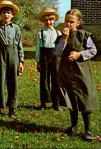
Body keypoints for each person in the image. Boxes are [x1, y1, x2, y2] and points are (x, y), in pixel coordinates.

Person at [54, 9, 99, 141]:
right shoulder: (61, 37)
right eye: (66, 21)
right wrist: (64, 39)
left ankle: (88, 130)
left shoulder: (84, 35)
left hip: (82, 73)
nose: (68, 24)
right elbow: (57, 52)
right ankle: (73, 126)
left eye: (71, 22)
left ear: (78, 23)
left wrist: (79, 54)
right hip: (67, 73)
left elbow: (93, 50)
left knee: (85, 99)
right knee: (71, 99)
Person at [0, 0, 24, 119]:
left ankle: (12, 108)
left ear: (12, 14)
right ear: (0, 14)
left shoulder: (16, 28)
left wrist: (21, 61)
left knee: (13, 82)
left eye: (8, 12)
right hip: (0, 55)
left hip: (13, 54)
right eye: (4, 12)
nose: (6, 15)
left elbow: (20, 44)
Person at [35, 8, 62, 111]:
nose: (48, 22)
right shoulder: (40, 33)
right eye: (46, 20)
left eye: (50, 20)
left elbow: (60, 47)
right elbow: (38, 48)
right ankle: (43, 102)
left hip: (55, 57)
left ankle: (56, 103)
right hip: (44, 57)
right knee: (44, 80)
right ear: (43, 21)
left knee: (56, 80)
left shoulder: (58, 33)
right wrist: (38, 61)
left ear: (54, 20)